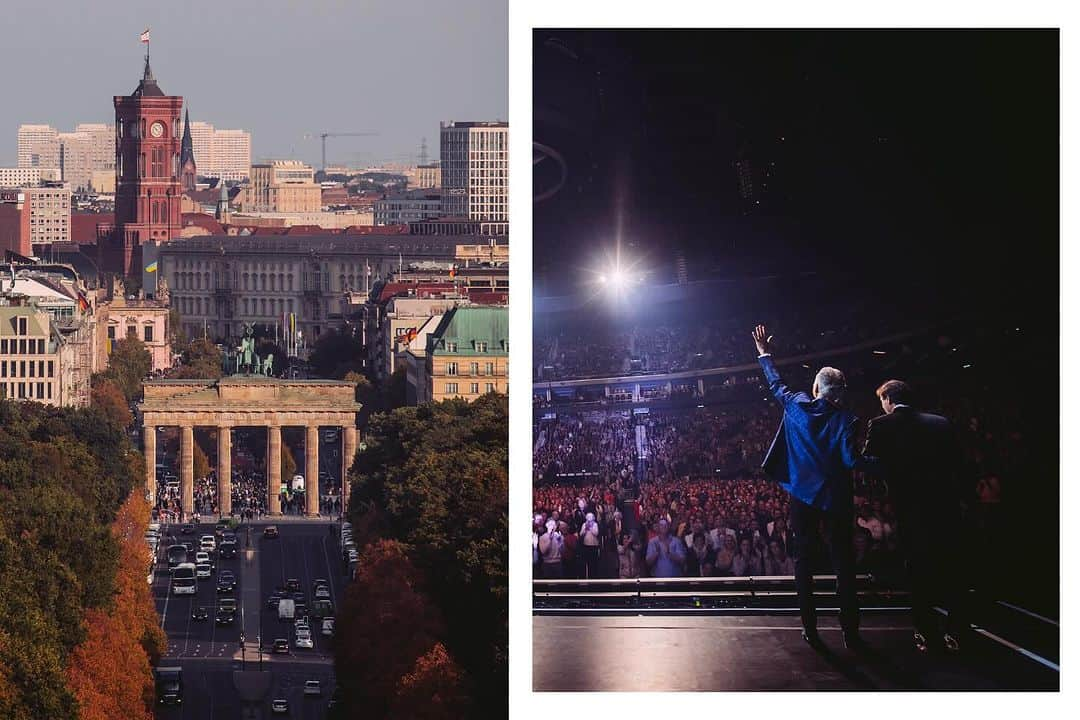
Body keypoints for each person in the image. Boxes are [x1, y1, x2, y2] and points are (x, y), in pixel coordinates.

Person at [753, 324, 867, 651]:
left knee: (804, 563)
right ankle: (850, 632)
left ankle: (810, 628)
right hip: (836, 498)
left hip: (802, 496)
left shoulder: (798, 405)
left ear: (817, 386)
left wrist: (764, 353)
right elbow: (850, 461)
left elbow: (775, 383)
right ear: (839, 392)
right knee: (843, 565)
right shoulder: (847, 420)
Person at [863, 379, 965, 653]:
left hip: (909, 510)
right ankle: (956, 633)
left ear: (887, 398)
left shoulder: (881, 425)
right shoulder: (940, 423)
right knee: (951, 570)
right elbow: (960, 465)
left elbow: (867, 465)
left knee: (918, 571)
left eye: (881, 401)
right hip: (946, 508)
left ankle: (925, 632)